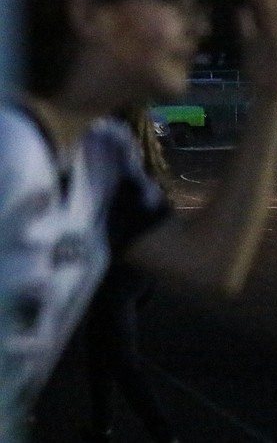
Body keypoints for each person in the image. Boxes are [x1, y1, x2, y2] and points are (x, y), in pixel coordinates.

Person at [1, 0, 277, 442]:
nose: (198, 23)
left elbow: (213, 264)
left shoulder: (102, 152)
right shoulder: (10, 150)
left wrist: (272, 95)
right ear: (88, 14)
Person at [82, 105, 178, 443]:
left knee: (122, 359)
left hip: (118, 273)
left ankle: (164, 435)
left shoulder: (108, 156)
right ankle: (100, 426)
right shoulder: (145, 159)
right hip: (138, 271)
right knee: (99, 348)